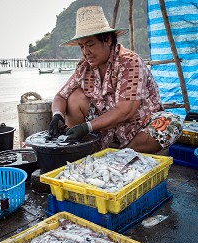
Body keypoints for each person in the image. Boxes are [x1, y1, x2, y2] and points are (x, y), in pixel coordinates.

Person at [49, 5, 183, 153]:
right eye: (82, 47)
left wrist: (86, 127)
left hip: (137, 126)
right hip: (104, 129)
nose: (86, 52)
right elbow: (61, 96)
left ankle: (121, 154)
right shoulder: (84, 66)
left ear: (107, 40)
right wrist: (57, 116)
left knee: (171, 124)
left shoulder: (129, 61)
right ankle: (79, 149)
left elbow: (125, 111)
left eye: (90, 44)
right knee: (75, 97)